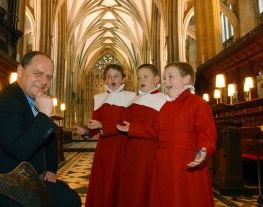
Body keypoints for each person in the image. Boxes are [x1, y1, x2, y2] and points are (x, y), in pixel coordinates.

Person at [0, 51, 81, 207]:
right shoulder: (4, 103)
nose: (44, 81)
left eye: (49, 77)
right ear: (20, 71)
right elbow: (20, 149)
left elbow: (48, 139)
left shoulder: (29, 99)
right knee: (68, 200)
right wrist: (44, 116)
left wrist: (51, 169)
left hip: (22, 178)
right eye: (37, 74)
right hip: (0, 184)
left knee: (64, 191)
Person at [149, 62, 216, 207]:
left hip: (186, 163)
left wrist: (203, 149)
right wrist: (133, 128)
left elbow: (206, 132)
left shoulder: (197, 103)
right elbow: (154, 130)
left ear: (186, 80)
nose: (165, 81)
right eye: (164, 78)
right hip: (164, 164)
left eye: (170, 77)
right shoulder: (164, 106)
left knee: (188, 199)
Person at [74, 64, 135, 207]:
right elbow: (96, 124)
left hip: (122, 147)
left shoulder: (131, 97)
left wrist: (103, 126)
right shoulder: (99, 98)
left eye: (116, 76)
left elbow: (127, 124)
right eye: (108, 76)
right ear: (104, 79)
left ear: (123, 79)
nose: (112, 79)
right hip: (104, 149)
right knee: (104, 181)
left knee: (120, 182)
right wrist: (87, 131)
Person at [116, 64, 167, 207]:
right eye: (139, 78)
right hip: (130, 153)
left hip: (149, 154)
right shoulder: (134, 100)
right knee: (130, 190)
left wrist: (133, 128)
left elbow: (159, 130)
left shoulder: (164, 100)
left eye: (146, 77)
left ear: (156, 79)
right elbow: (122, 121)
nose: (141, 80)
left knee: (145, 190)